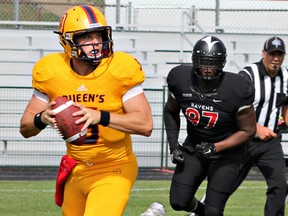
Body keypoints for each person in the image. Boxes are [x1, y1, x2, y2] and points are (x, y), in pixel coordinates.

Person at [19, 5, 153, 216]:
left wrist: (101, 116)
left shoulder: (119, 68)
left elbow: (145, 125)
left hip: (114, 167)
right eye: (86, 37)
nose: (96, 43)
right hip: (77, 169)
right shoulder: (52, 71)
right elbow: (25, 128)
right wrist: (42, 118)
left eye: (98, 35)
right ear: (67, 40)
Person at [164, 35, 256, 216]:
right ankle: (200, 212)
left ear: (222, 64)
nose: (207, 69)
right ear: (194, 61)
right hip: (195, 147)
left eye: (213, 63)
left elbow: (248, 130)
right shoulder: (180, 78)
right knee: (178, 201)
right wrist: (174, 146)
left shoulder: (236, 88)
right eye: (203, 62)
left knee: (214, 211)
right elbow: (170, 111)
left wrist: (216, 147)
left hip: (226, 154)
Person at [231, 36, 288, 216]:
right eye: (272, 54)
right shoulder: (247, 75)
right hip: (243, 139)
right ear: (264, 54)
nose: (276, 58)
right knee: (225, 185)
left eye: (280, 54)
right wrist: (256, 128)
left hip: (270, 143)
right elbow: (232, 110)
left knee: (280, 185)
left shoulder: (286, 77)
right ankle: (200, 212)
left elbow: (286, 107)